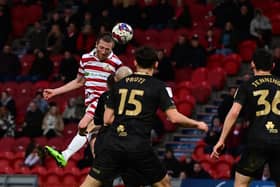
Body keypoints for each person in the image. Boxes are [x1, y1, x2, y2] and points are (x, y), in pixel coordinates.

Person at [79, 46, 208, 187]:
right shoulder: (158, 86)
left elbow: (107, 119)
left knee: (90, 184)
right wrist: (197, 124)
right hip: (138, 146)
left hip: (113, 144)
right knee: (164, 184)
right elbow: (174, 118)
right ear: (156, 64)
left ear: (135, 63)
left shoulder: (118, 85)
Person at [44, 32, 122, 167]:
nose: (103, 52)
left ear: (112, 49)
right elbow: (79, 82)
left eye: (107, 49)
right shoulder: (85, 59)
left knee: (83, 126)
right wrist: (55, 92)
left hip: (105, 101)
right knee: (95, 148)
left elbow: (124, 84)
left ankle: (65, 155)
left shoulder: (116, 63)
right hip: (90, 103)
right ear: (96, 44)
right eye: (101, 47)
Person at [211, 49, 280, 187]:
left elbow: (234, 113)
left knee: (241, 183)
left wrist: (221, 139)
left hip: (257, 142)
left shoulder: (246, 85)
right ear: (273, 66)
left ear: (252, 64)